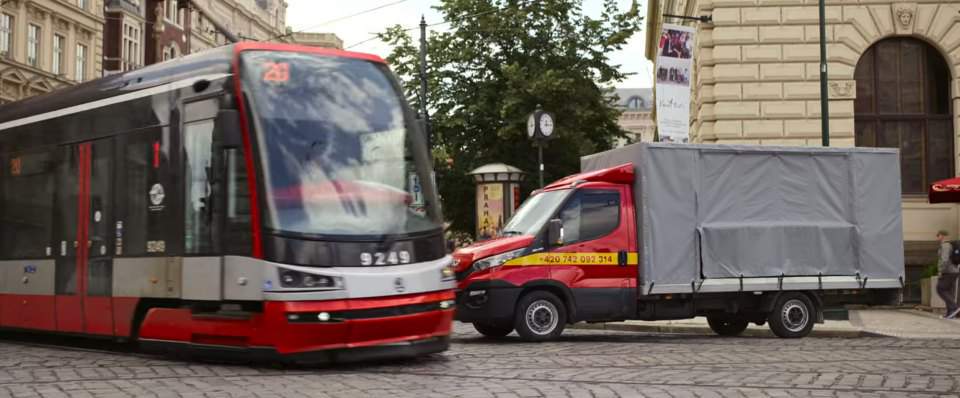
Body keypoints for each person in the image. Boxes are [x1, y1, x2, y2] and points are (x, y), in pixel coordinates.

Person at [936, 230, 960, 319]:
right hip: (953, 271)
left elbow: (944, 260)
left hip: (948, 272)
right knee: (948, 291)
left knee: (940, 289)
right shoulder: (950, 245)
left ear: (942, 236)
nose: (937, 238)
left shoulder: (945, 245)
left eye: (938, 235)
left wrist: (940, 271)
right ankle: (951, 313)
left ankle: (955, 307)